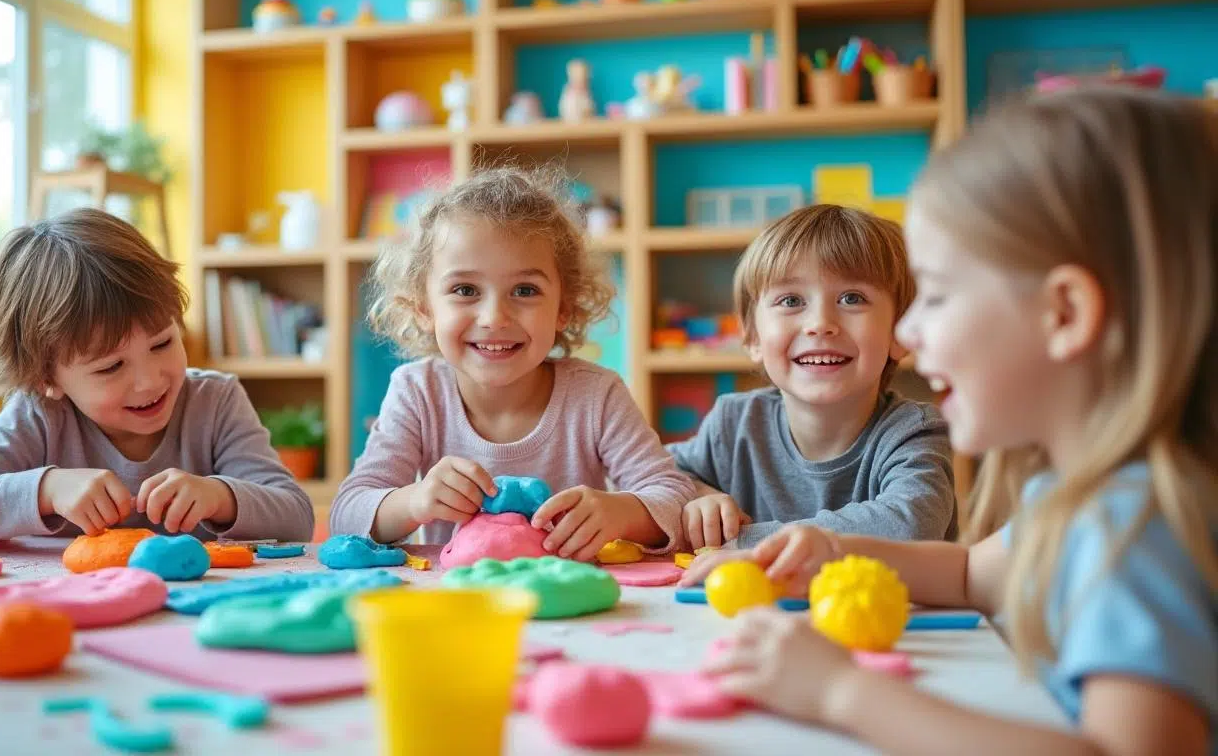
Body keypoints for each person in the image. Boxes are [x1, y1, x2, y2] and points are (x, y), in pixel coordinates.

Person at [686, 88, 1218, 755]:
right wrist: (827, 550)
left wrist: (840, 693)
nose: (907, 332)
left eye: (935, 295)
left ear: (1064, 314)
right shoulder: (1076, 497)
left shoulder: (1136, 528)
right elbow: (967, 574)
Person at [330, 167, 696, 560]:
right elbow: (347, 513)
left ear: (564, 309)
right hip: (456, 592)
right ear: (424, 308)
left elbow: (677, 499)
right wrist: (415, 501)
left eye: (524, 290)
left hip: (570, 593)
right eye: (465, 289)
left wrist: (621, 513)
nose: (494, 317)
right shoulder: (418, 391)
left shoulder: (596, 394)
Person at [0, 208, 315, 544]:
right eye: (111, 367)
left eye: (162, 343)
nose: (149, 381)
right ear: (47, 378)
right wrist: (47, 490)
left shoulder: (215, 401)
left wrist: (219, 496)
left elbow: (297, 517)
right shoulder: (40, 415)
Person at [668, 204, 956, 550]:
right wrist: (701, 495)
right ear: (753, 337)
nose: (820, 323)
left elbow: (910, 525)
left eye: (852, 298)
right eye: (791, 301)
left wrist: (740, 540)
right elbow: (653, 475)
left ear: (901, 330)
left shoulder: (913, 433)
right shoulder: (734, 423)